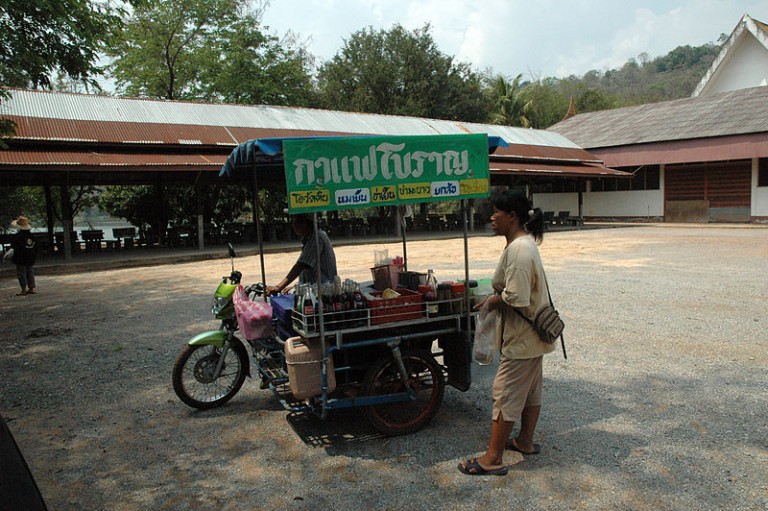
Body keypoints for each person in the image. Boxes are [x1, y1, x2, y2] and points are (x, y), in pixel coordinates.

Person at [458, 189, 556, 476]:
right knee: (530, 390)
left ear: (511, 217)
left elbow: (518, 296)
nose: (491, 217)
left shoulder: (519, 250)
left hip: (522, 338)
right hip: (532, 336)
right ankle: (524, 441)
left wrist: (490, 301)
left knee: (505, 393)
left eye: (496, 212)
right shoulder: (522, 244)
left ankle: (492, 458)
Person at [266, 214, 337, 294]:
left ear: (306, 224)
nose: (293, 226)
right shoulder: (309, 238)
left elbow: (301, 265)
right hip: (313, 287)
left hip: (322, 289)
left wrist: (279, 287)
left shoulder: (317, 238)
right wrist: (297, 286)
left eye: (296, 222)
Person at [9, 215, 38, 296]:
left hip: (20, 258)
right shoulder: (32, 236)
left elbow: (14, 247)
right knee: (30, 272)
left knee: (22, 273)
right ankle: (31, 288)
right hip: (30, 257)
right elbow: (36, 247)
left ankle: (23, 290)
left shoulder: (17, 236)